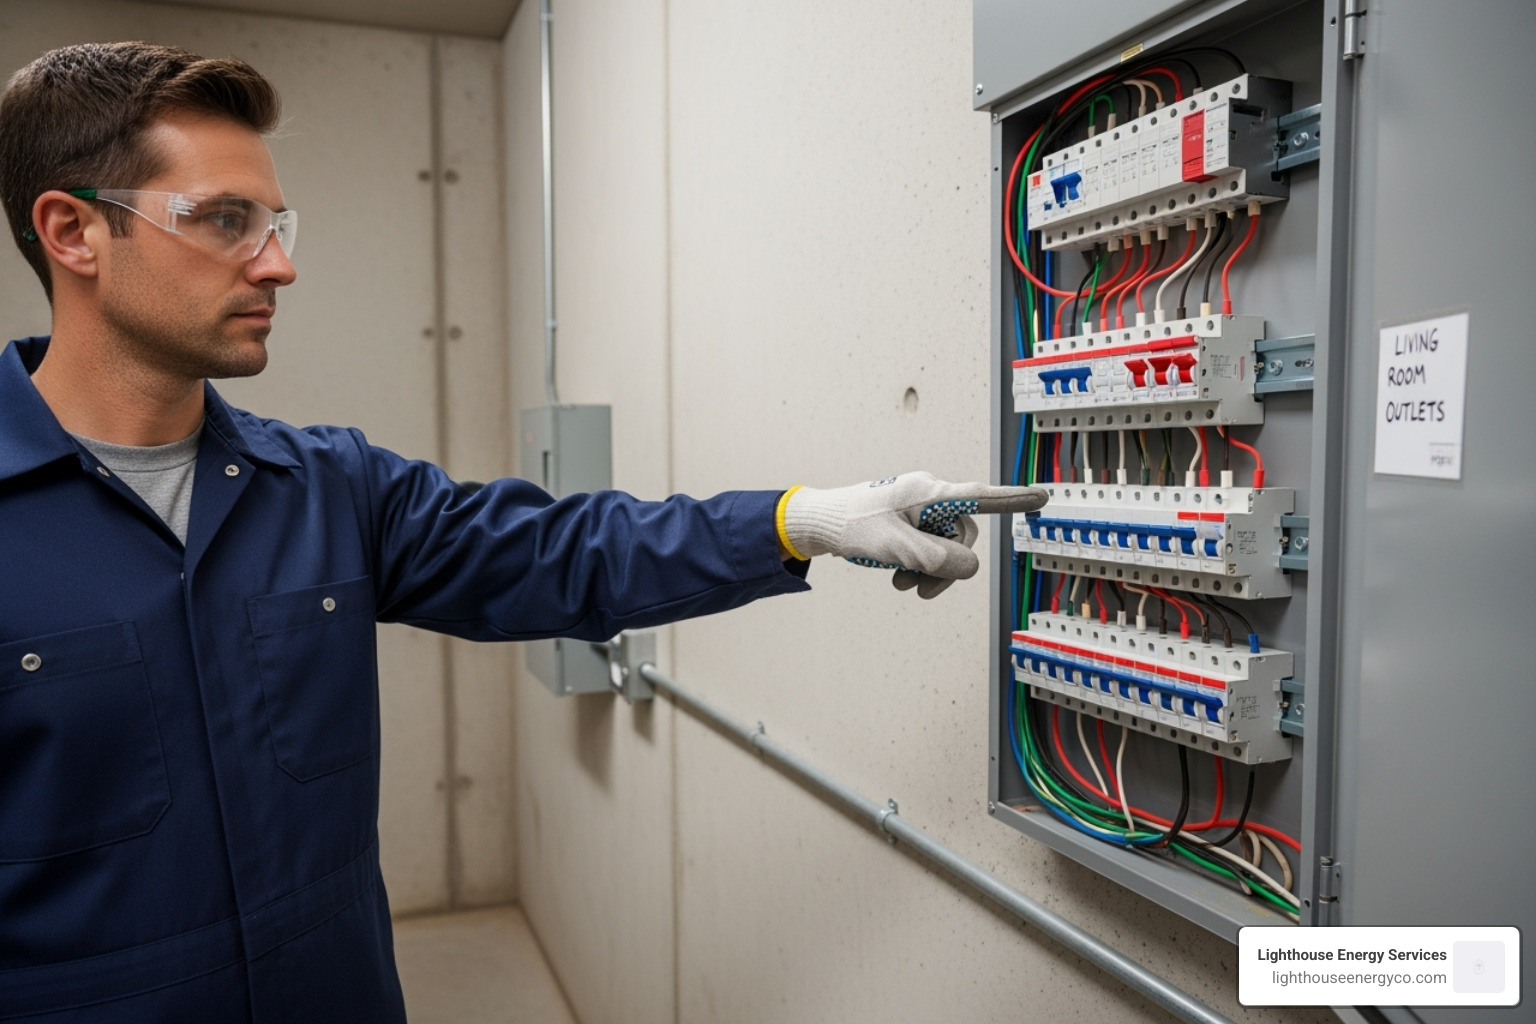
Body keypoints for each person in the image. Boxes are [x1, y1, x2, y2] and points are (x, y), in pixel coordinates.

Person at [0, 42, 1046, 1022]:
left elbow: (565, 552)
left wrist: (805, 518)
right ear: (73, 230)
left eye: (278, 224)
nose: (278, 266)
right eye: (226, 220)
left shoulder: (324, 486)